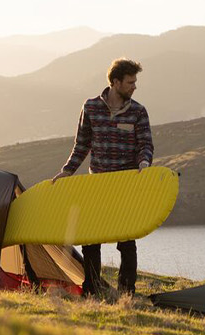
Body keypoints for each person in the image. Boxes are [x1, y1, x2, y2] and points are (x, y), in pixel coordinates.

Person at [50, 58, 153, 297]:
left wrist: (144, 162)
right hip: (97, 185)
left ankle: (126, 293)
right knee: (91, 240)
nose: (134, 86)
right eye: (130, 82)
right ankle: (91, 290)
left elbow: (145, 144)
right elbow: (82, 145)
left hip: (125, 185)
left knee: (127, 241)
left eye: (135, 81)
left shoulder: (138, 111)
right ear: (115, 82)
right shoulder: (91, 107)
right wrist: (67, 170)